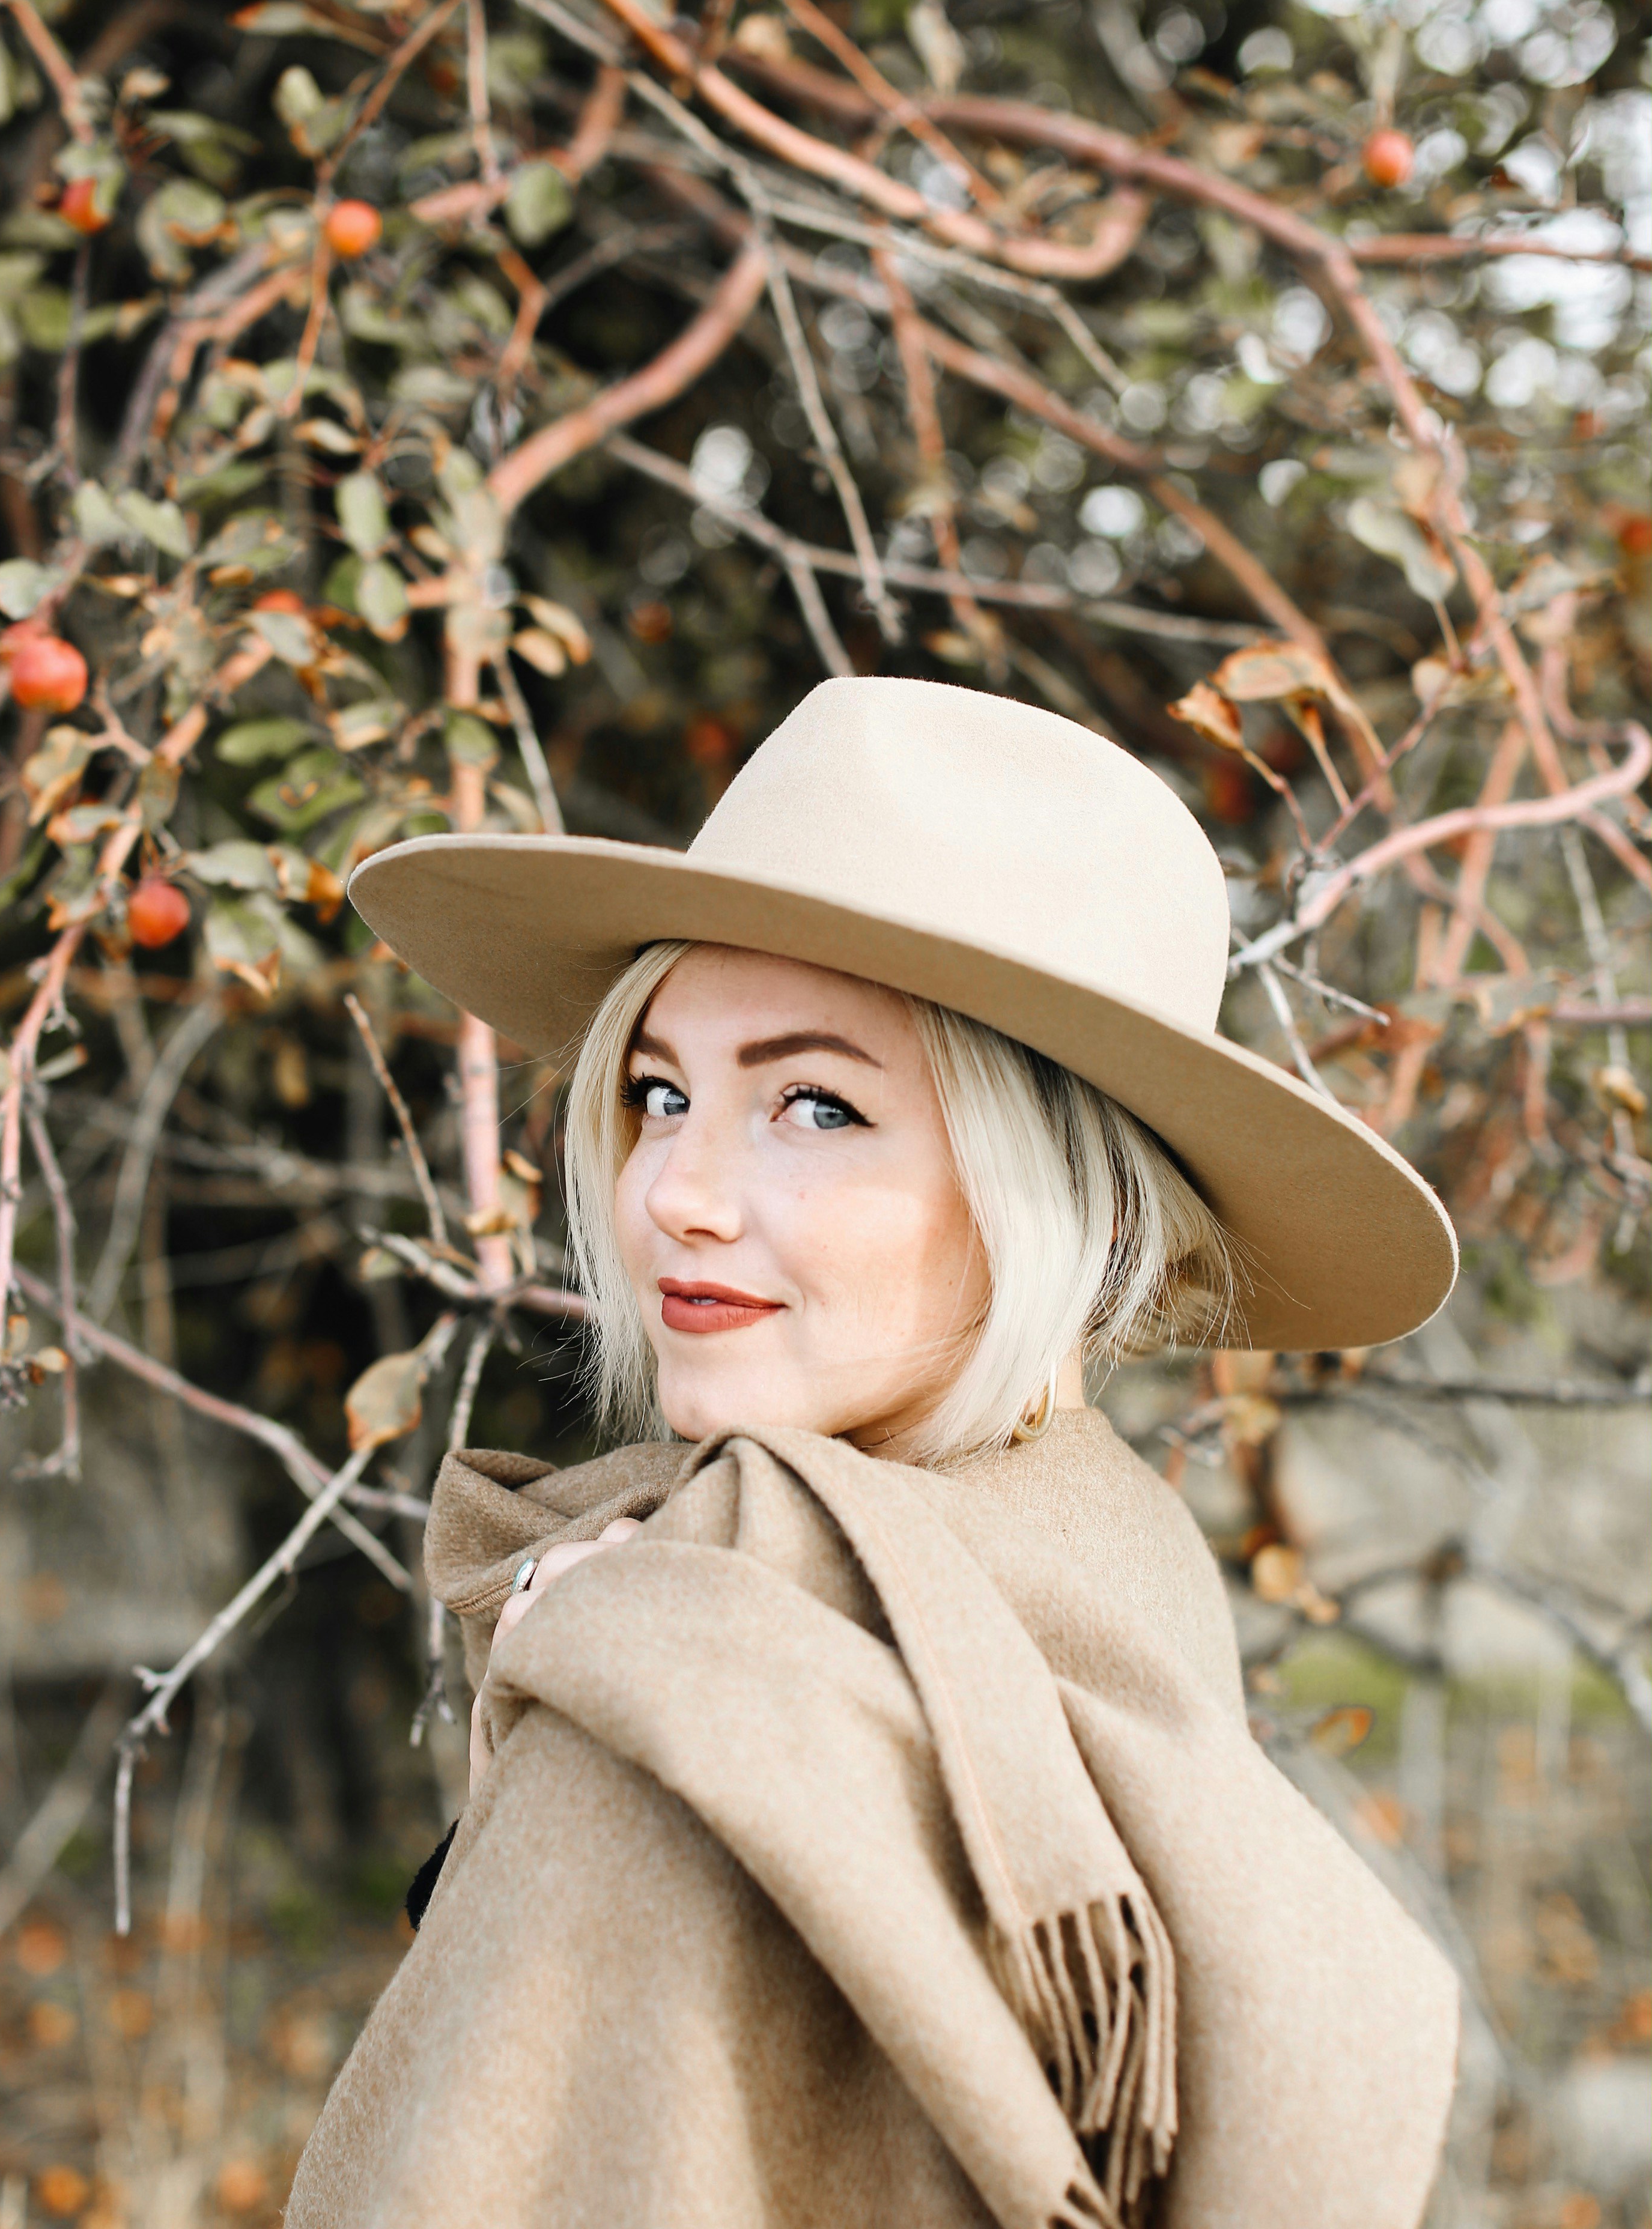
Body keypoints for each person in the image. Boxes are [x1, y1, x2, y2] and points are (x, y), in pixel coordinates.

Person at [287, 680, 1461, 2229]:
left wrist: (636, 1676)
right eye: (658, 1093)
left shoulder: (690, 1687)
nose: (677, 1194)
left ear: (1081, 1205)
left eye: (818, 1106)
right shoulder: (1097, 1540)